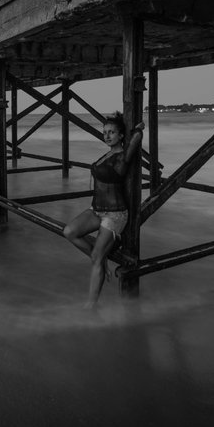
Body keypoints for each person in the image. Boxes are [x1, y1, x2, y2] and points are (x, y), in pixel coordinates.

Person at [63, 112, 145, 308]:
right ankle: (101, 257)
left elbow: (136, 139)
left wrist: (138, 130)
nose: (107, 136)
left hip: (115, 214)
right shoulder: (107, 154)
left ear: (121, 135)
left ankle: (91, 306)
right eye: (105, 132)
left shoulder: (122, 157)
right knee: (69, 232)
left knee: (96, 258)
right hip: (96, 210)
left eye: (112, 132)